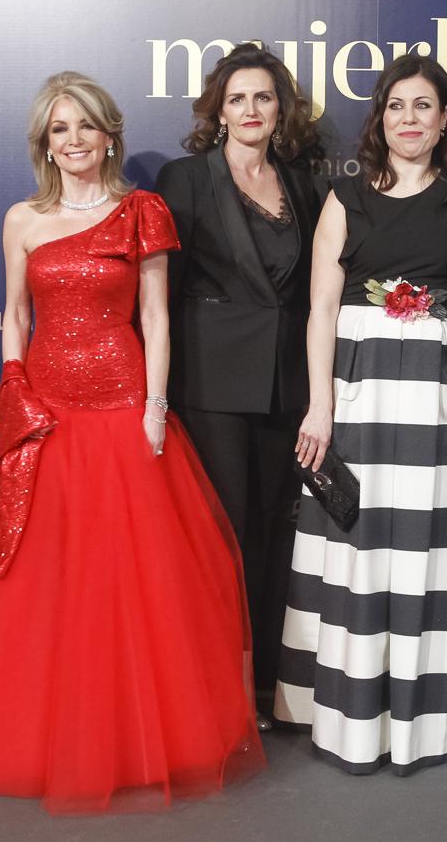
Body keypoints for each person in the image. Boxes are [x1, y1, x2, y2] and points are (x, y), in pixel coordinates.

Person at [0, 72, 263, 813]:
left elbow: (157, 318)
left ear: (110, 133)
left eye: (84, 126)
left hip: (120, 408)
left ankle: (129, 736)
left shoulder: (142, 211)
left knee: (126, 586)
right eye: (58, 130)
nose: (72, 141)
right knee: (36, 581)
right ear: (45, 144)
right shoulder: (22, 219)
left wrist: (153, 405)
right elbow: (14, 314)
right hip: (43, 411)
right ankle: (35, 733)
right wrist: (14, 384)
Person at [273, 54, 447, 774]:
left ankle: (431, 716)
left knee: (429, 547)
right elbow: (319, 309)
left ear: (444, 122)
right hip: (361, 396)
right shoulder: (346, 197)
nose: (410, 118)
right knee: (362, 547)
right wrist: (321, 407)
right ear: (381, 118)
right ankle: (346, 710)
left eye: (425, 106)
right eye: (398, 105)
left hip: (437, 401)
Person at [156, 44, 325, 729]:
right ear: (217, 111)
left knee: (273, 541)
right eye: (237, 99)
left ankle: (263, 687)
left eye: (262, 97)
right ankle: (213, 690)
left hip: (285, 386)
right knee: (220, 537)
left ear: (279, 108)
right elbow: (158, 294)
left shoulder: (304, 184)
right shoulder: (184, 179)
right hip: (212, 381)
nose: (251, 110)